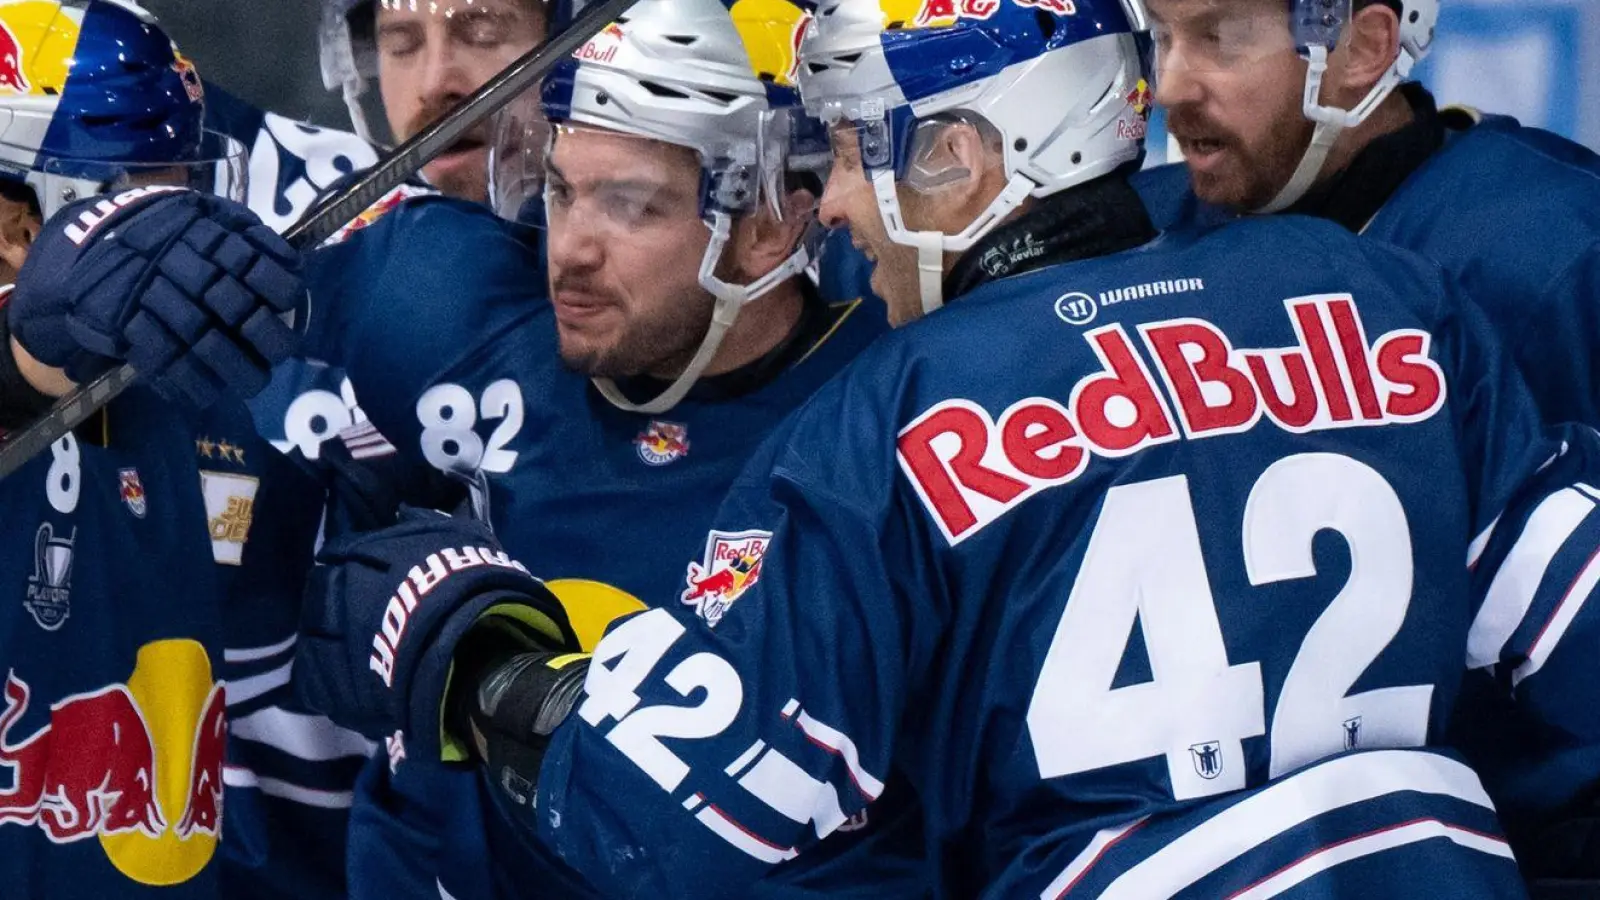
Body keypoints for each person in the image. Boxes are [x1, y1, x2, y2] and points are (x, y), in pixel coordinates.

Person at [294, 0, 1600, 896]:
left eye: (867, 149)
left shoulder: (898, 410)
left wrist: (469, 654)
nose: (845, 201)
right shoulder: (1374, 292)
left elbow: (681, 823)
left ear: (972, 161)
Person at [292, 0, 926, 896]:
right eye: (558, 189)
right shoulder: (455, 315)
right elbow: (214, 269)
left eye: (630, 203)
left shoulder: (896, 412)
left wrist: (490, 679)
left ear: (772, 222)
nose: (570, 250)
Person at [1132, 0, 1600, 881]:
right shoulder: (1138, 241)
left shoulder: (1554, 249)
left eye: (1220, 39)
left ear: (1363, 48)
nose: (1170, 86)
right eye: (1160, 36)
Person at [0, 2, 310, 897]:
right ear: (20, 222)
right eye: (132, 211)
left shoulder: (198, 413)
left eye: (180, 199)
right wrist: (28, 353)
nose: (182, 253)